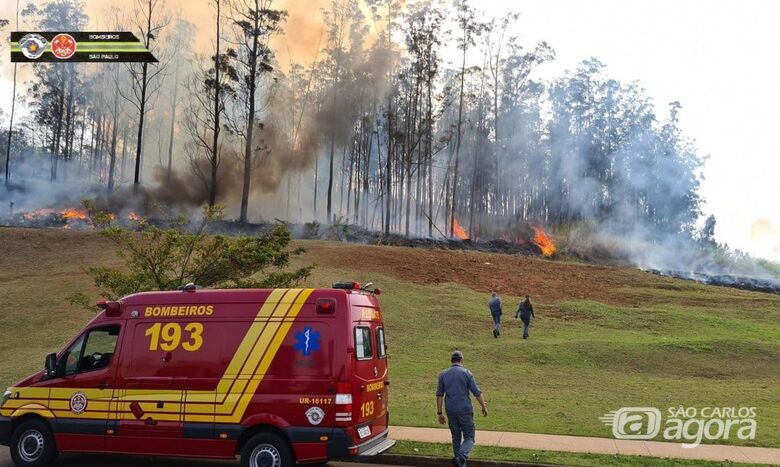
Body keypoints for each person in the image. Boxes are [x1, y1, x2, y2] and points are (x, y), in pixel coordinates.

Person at [437, 350, 488, 467]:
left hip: (450, 410)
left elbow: (439, 395)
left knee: (456, 438)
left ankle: (459, 463)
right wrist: (484, 406)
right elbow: (477, 392)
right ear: (461, 360)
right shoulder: (467, 373)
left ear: (451, 361)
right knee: (470, 437)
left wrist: (439, 413)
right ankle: (461, 457)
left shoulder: (443, 374)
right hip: (464, 410)